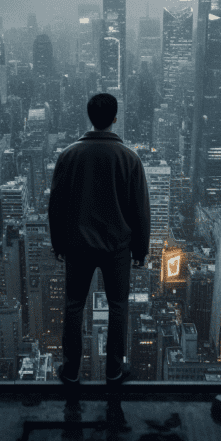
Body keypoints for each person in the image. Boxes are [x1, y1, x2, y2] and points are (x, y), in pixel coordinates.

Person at [49, 93, 151, 387]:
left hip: (78, 246)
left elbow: (56, 205)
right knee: (118, 307)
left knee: (73, 306)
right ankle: (114, 372)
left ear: (89, 116)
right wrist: (140, 250)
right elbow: (139, 209)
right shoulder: (130, 159)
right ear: (115, 118)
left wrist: (58, 243)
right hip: (117, 247)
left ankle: (70, 372)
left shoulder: (68, 155)